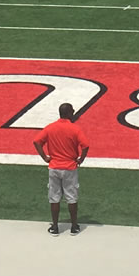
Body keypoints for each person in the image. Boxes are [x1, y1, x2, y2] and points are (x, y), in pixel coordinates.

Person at [32, 101, 90, 236]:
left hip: (54, 167)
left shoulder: (50, 128)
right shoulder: (75, 129)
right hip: (70, 167)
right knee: (72, 198)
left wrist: (45, 158)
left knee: (54, 198)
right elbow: (85, 145)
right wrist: (81, 159)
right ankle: (74, 226)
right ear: (69, 113)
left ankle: (55, 227)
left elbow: (37, 141)